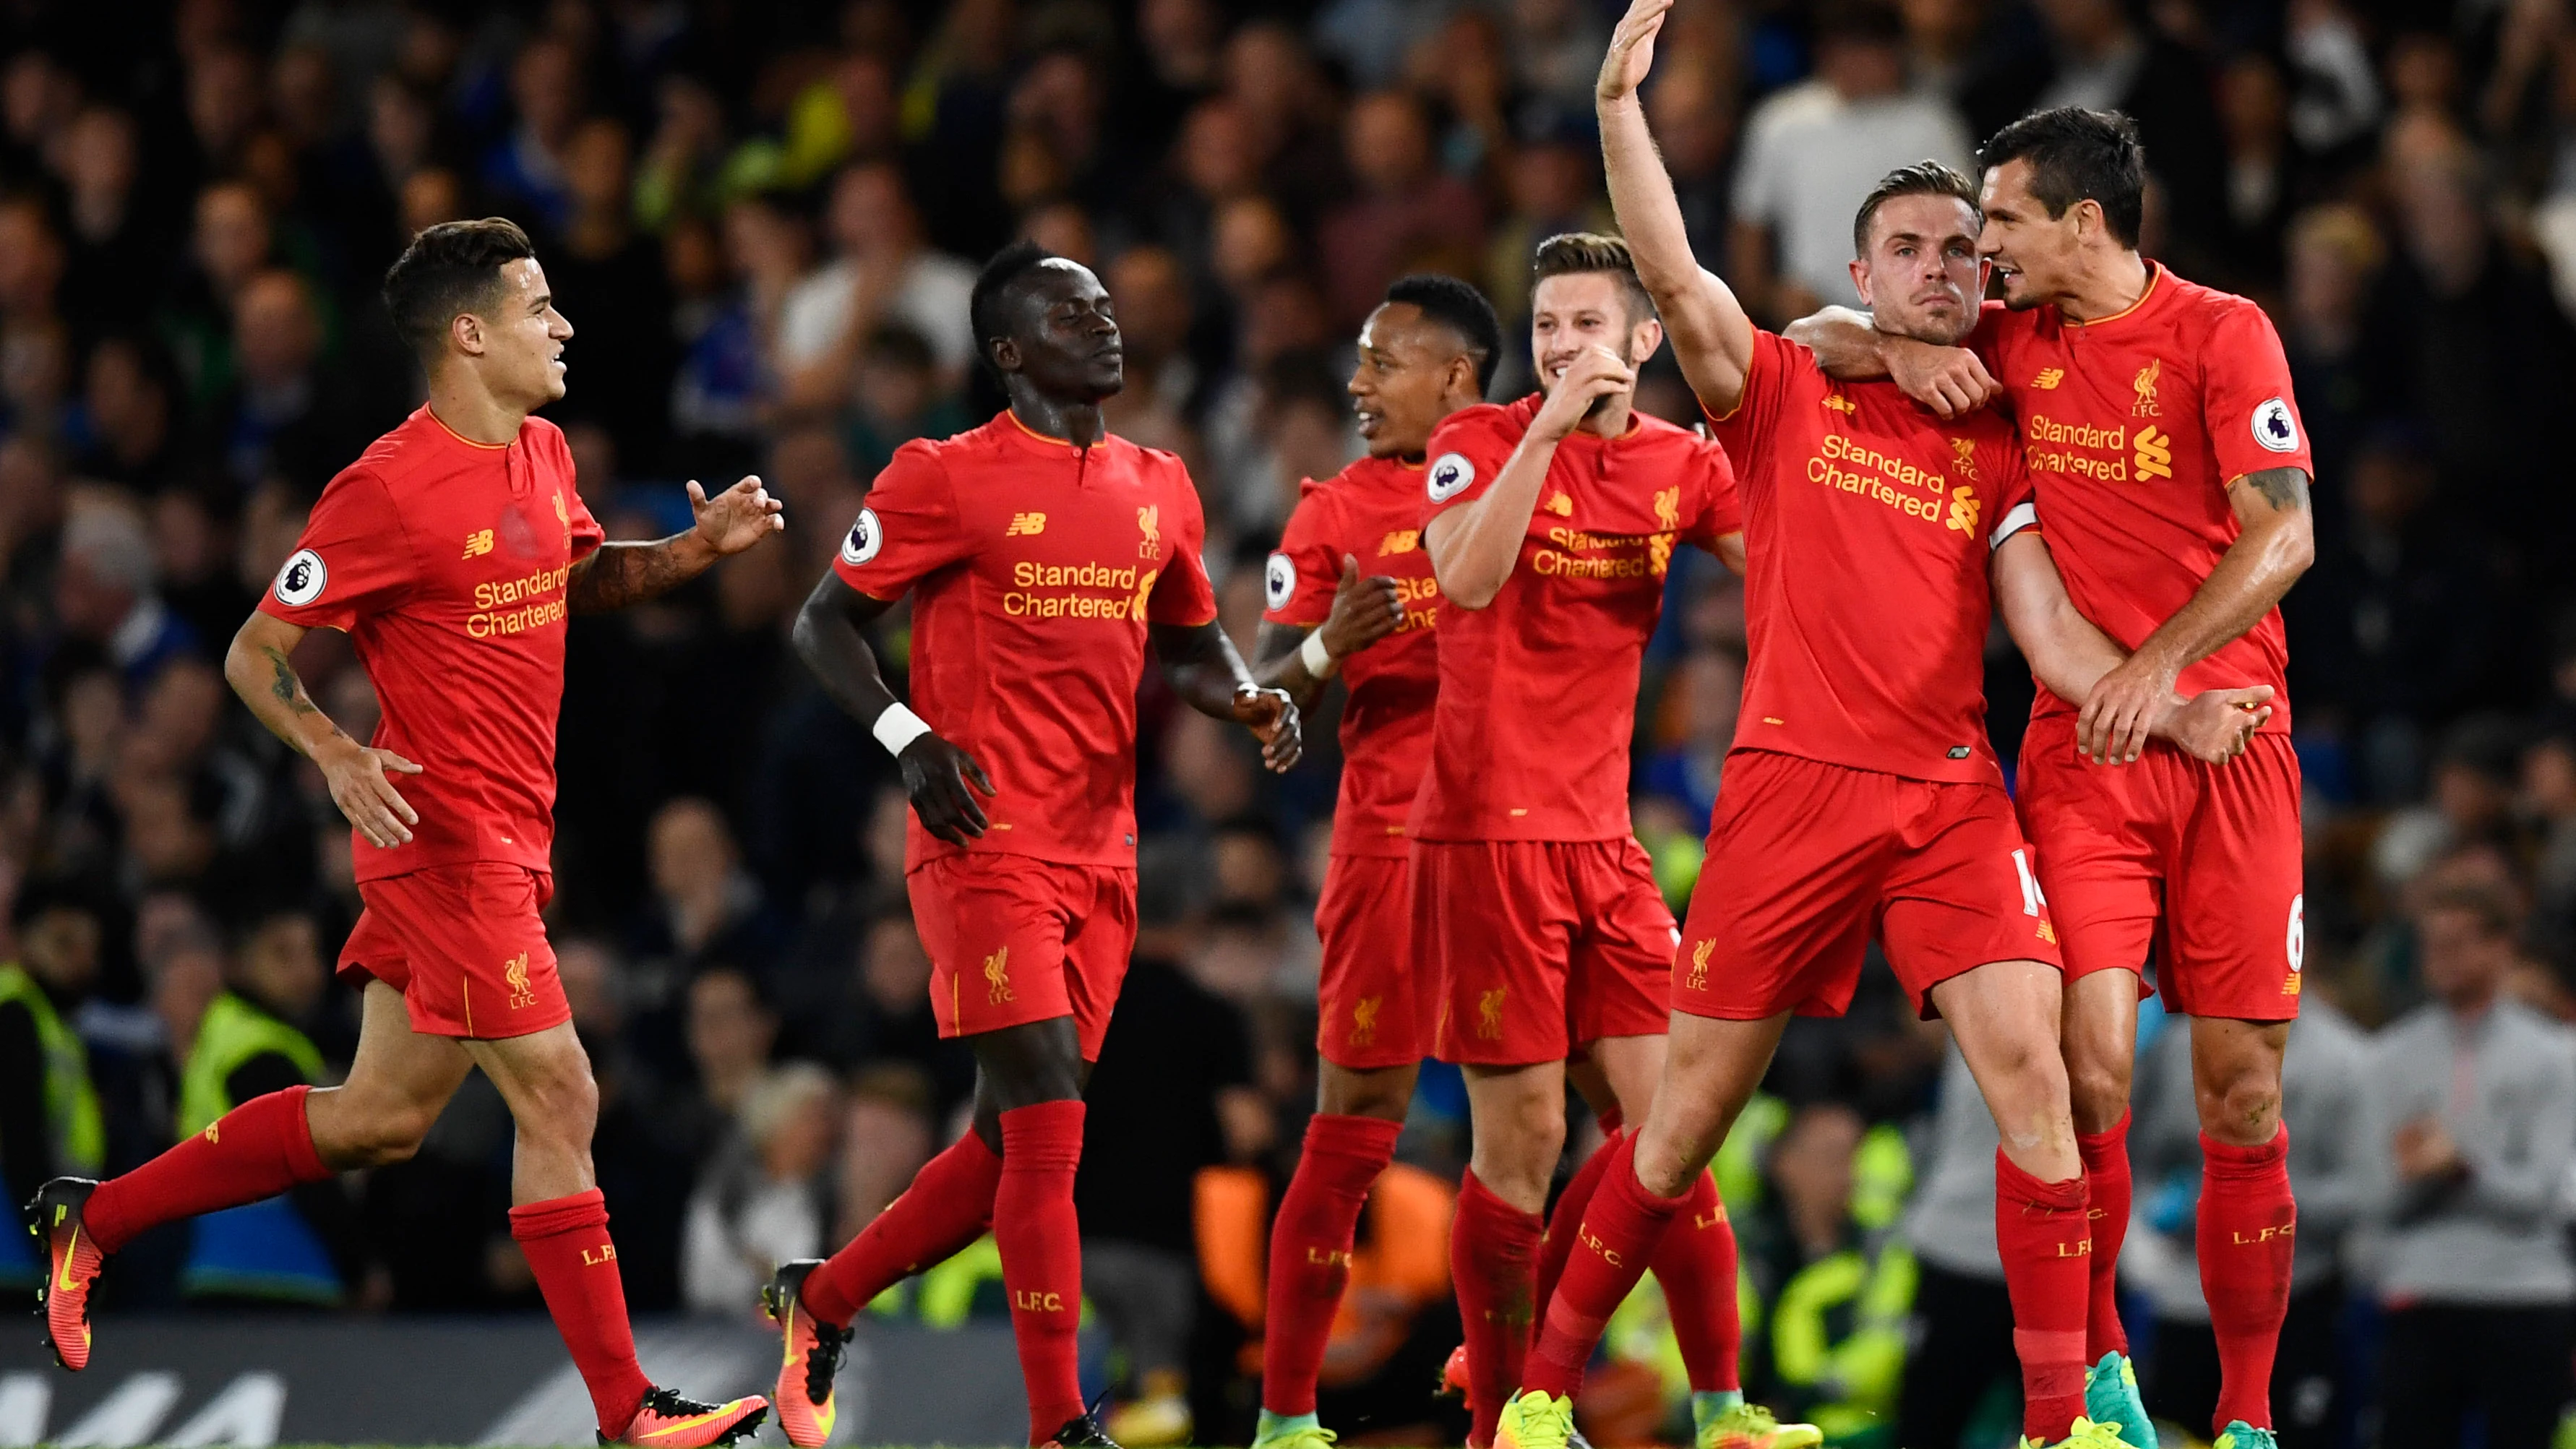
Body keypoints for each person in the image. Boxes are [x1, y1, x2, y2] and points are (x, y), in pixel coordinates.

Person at [1497, 13, 2276, 1449]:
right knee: (1677, 1134)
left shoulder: (2002, 431)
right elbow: (1673, 273)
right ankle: (1533, 1398)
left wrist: (2168, 704)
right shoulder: (1781, 386)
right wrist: (1620, 106)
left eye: (1960, 252)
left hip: (1949, 797)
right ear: (1860, 275)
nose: (1940, 268)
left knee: (2038, 1078)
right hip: (1791, 790)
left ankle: (2063, 1425)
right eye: (1907, 250)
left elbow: (2044, 630)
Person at [27, 216, 783, 1449]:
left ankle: (92, 1220)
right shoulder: (384, 489)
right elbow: (255, 653)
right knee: (559, 1093)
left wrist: (692, 551)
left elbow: (574, 577)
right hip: (436, 838)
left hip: (511, 837)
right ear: (470, 333)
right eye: (540, 306)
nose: (565, 325)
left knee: (381, 1117)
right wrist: (333, 751)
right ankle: (624, 1409)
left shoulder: (541, 452)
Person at [1791, 103, 2318, 1449]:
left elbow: (2285, 537)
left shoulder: (2219, 333)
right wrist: (1900, 363)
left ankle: (2248, 1421)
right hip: (2080, 760)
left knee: (2238, 1096)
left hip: (2231, 749)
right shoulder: (2004, 339)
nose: (1982, 251)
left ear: (2081, 222)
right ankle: (2098, 1378)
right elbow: (1806, 339)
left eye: (2003, 223)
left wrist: (2162, 667)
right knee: (2083, 1072)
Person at [763, 240, 1300, 1449]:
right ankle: (1061, 1427)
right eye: (1071, 313)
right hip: (981, 838)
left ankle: (822, 1296)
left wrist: (1251, 697)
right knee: (1051, 1117)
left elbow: (1189, 644)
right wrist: (908, 738)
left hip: (1100, 854)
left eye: (1106, 305)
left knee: (1007, 1140)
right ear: (1007, 350)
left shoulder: (1160, 480)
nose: (1103, 324)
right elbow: (823, 625)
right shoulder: (941, 475)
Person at [1408, 217, 1817, 1449]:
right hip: (1482, 839)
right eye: (1544, 327)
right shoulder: (1472, 440)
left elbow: (1795, 568)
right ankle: (1499, 1420)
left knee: (1670, 1132)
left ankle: (1719, 1408)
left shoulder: (1679, 467)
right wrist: (1540, 425)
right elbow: (1464, 582)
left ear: (1645, 338)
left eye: (1588, 325)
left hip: (1602, 844)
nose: (1562, 345)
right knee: (1520, 1141)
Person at [1243, 271, 1491, 1448]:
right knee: (1353, 1124)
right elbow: (1251, 691)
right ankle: (1285, 1415)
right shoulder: (1332, 510)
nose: (1355, 385)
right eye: (1356, 362)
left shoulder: (1527, 478)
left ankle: (1516, 1386)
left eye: (1380, 364)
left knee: (1598, 1116)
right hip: (1387, 845)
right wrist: (1323, 655)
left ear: (1454, 377)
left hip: (1524, 841)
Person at [2362, 877, 2576, 1448]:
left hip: (2527, 1295)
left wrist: (2459, 1166)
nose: (2441, 959)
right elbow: (2378, 1200)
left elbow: (2538, 1198)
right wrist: (2419, 1174)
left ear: (2502, 947)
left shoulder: (2555, 1055)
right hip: (2421, 1292)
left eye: (2458, 943)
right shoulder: (2390, 1055)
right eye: (2432, 944)